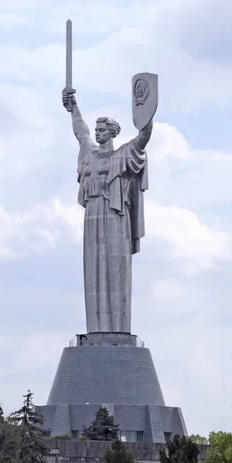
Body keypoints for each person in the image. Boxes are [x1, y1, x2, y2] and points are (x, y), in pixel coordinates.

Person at [62, 87, 153, 334]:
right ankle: (96, 329)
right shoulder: (90, 156)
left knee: (115, 269)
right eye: (97, 130)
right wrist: (73, 107)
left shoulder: (122, 155)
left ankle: (117, 330)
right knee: (93, 268)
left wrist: (146, 109)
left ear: (112, 132)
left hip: (114, 215)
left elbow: (144, 136)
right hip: (92, 215)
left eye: (102, 130)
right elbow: (81, 134)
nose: (98, 133)